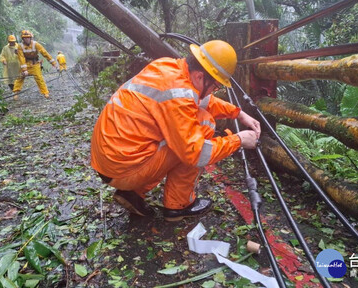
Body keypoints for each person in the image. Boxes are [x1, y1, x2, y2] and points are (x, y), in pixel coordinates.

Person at [91, 40, 261, 221]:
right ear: (199, 77)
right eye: (215, 86)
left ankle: (132, 193)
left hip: (110, 161)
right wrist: (239, 140)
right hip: (123, 169)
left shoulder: (169, 67)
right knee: (204, 124)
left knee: (187, 126)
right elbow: (196, 153)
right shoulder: (180, 95)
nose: (214, 90)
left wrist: (238, 113)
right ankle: (179, 205)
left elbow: (201, 100)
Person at [13, 30, 58, 100]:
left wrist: (53, 63)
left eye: (28, 37)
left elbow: (44, 53)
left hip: (35, 64)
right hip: (25, 64)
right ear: (23, 39)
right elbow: (21, 58)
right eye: (25, 38)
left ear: (31, 38)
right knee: (20, 78)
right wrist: (24, 70)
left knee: (39, 78)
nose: (26, 39)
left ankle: (45, 93)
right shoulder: (20, 46)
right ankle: (16, 93)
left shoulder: (36, 44)